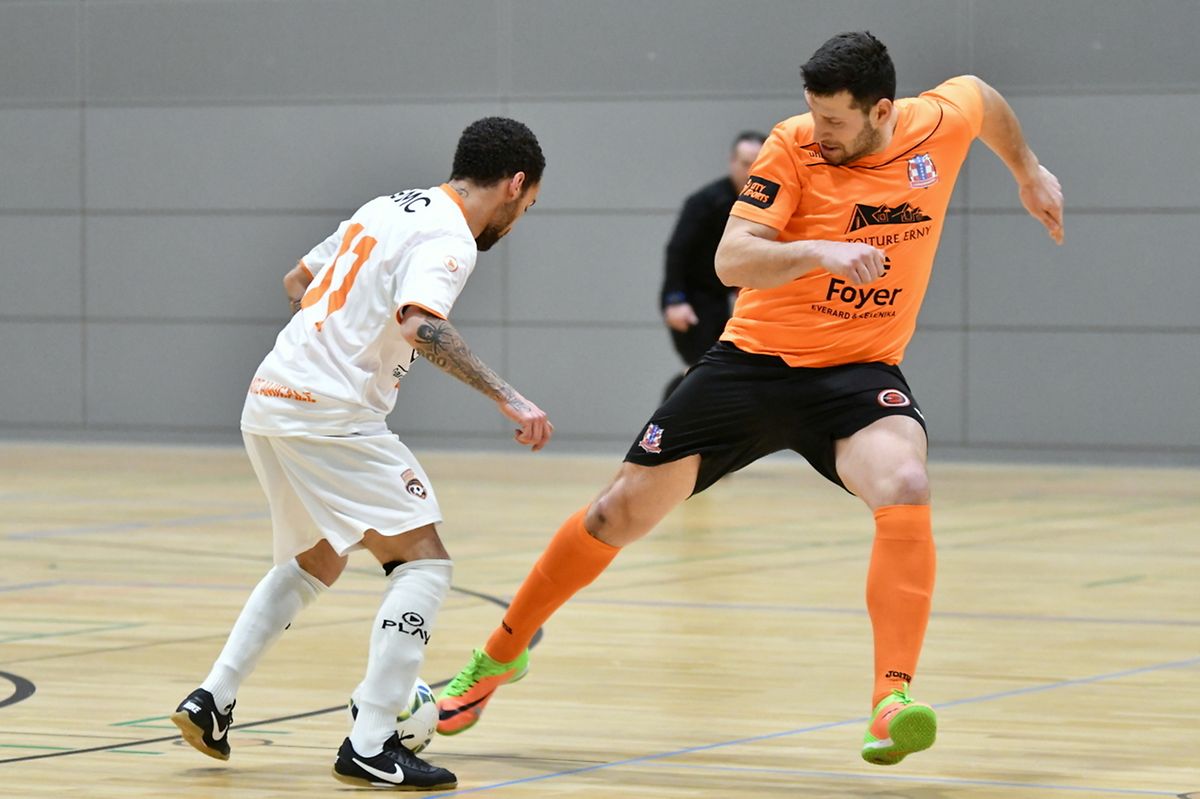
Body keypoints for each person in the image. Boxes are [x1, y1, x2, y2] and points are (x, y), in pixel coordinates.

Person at [436, 32, 1064, 768]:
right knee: (616, 512)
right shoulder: (792, 146)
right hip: (753, 365)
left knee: (906, 480)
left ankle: (890, 701)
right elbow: (732, 258)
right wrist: (819, 251)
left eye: (835, 120)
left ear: (882, 111)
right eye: (814, 114)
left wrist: (1028, 170)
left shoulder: (937, 123)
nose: (819, 131)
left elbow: (982, 97)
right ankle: (499, 654)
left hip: (857, 371)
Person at [170, 117, 553, 791]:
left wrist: (334, 336)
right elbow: (421, 323)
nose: (519, 221)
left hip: (270, 397)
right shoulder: (451, 236)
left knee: (316, 557)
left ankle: (212, 698)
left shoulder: (386, 207)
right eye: (528, 206)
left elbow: (296, 280)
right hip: (329, 413)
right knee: (424, 563)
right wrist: (509, 397)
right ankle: (373, 741)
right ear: (514, 184)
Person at [660, 131, 765, 399]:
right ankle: (669, 414)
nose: (750, 172)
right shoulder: (705, 202)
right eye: (745, 163)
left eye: (757, 164)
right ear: (732, 161)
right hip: (696, 298)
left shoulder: (766, 204)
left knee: (732, 370)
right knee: (703, 368)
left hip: (734, 296)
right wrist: (674, 300)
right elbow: (677, 250)